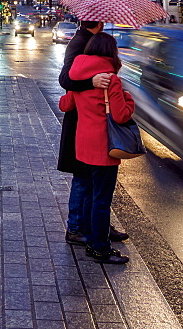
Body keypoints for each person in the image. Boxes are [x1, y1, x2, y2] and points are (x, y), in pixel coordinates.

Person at [59, 32, 135, 265]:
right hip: (104, 148)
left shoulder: (79, 74)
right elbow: (121, 116)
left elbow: (65, 104)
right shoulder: (110, 79)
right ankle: (100, 248)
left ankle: (91, 239)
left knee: (91, 196)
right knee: (102, 201)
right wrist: (128, 98)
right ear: (111, 53)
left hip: (82, 145)